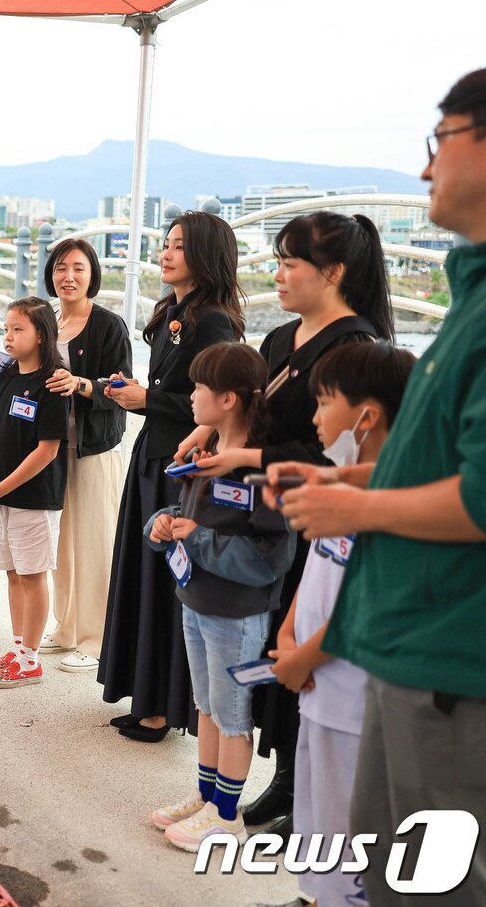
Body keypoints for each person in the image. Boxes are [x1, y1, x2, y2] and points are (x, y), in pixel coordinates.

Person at [269, 69, 486, 901]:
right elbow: (447, 460)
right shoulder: (470, 297)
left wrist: (356, 501)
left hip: (450, 664)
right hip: (412, 652)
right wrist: (365, 475)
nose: (427, 169)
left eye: (443, 140)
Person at [174, 209, 394, 834]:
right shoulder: (281, 339)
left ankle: (302, 800)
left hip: (310, 525)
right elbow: (251, 405)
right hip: (258, 512)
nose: (277, 275)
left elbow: (340, 457)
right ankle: (266, 788)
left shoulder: (356, 348)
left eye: (288, 263)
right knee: (272, 660)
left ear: (333, 273)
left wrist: (243, 456)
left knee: (299, 666)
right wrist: (203, 433)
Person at [269, 341, 414, 907]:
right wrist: (289, 636)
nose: (313, 418)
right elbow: (318, 571)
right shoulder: (341, 481)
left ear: (367, 416)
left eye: (323, 403)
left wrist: (307, 655)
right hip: (318, 688)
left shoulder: (392, 502)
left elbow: (370, 600)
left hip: (356, 696)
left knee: (355, 825)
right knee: (318, 813)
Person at [98, 210, 243, 743]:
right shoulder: (172, 312)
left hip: (178, 466)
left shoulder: (213, 322)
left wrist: (147, 398)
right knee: (142, 574)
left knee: (166, 581)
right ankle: (147, 695)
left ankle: (161, 708)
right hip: (152, 453)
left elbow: (218, 405)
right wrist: (136, 393)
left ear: (204, 255)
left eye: (178, 246)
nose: (165, 252)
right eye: (165, 243)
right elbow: (174, 392)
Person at [145, 342, 295, 852]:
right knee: (205, 707)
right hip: (197, 603)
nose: (191, 397)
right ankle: (208, 796)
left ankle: (227, 815)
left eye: (200, 388)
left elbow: (268, 559)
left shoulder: (259, 470)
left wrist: (196, 538)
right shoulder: (205, 457)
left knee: (233, 715)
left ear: (228, 399)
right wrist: (162, 525)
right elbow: (182, 512)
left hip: (238, 614)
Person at [39, 238, 130, 673]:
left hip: (94, 448)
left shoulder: (108, 325)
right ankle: (66, 627)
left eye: (77, 267)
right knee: (60, 542)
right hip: (52, 451)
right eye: (60, 267)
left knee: (95, 544)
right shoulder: (46, 322)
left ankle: (96, 638)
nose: (68, 276)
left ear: (92, 273)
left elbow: (123, 389)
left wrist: (82, 384)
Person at [0, 297, 68, 686]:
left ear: (41, 335)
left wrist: (1, 488)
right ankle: (16, 647)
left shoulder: (53, 382)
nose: (8, 337)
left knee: (32, 575)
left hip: (34, 497)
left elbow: (48, 450)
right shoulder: (8, 375)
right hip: (1, 493)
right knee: (12, 573)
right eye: (6, 329)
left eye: (17, 329)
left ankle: (31, 659)